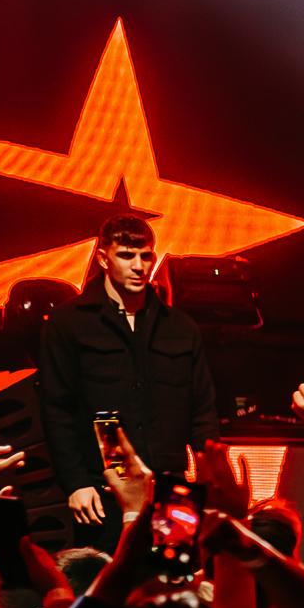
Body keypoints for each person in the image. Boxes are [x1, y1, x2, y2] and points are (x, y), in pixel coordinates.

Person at [37, 215, 217, 539]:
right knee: (108, 569)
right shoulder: (68, 324)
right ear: (103, 258)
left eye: (145, 256)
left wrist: (212, 480)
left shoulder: (181, 328)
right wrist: (75, 483)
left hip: (170, 487)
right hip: (104, 489)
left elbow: (202, 410)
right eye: (126, 255)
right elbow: (57, 410)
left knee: (172, 569)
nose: (138, 266)